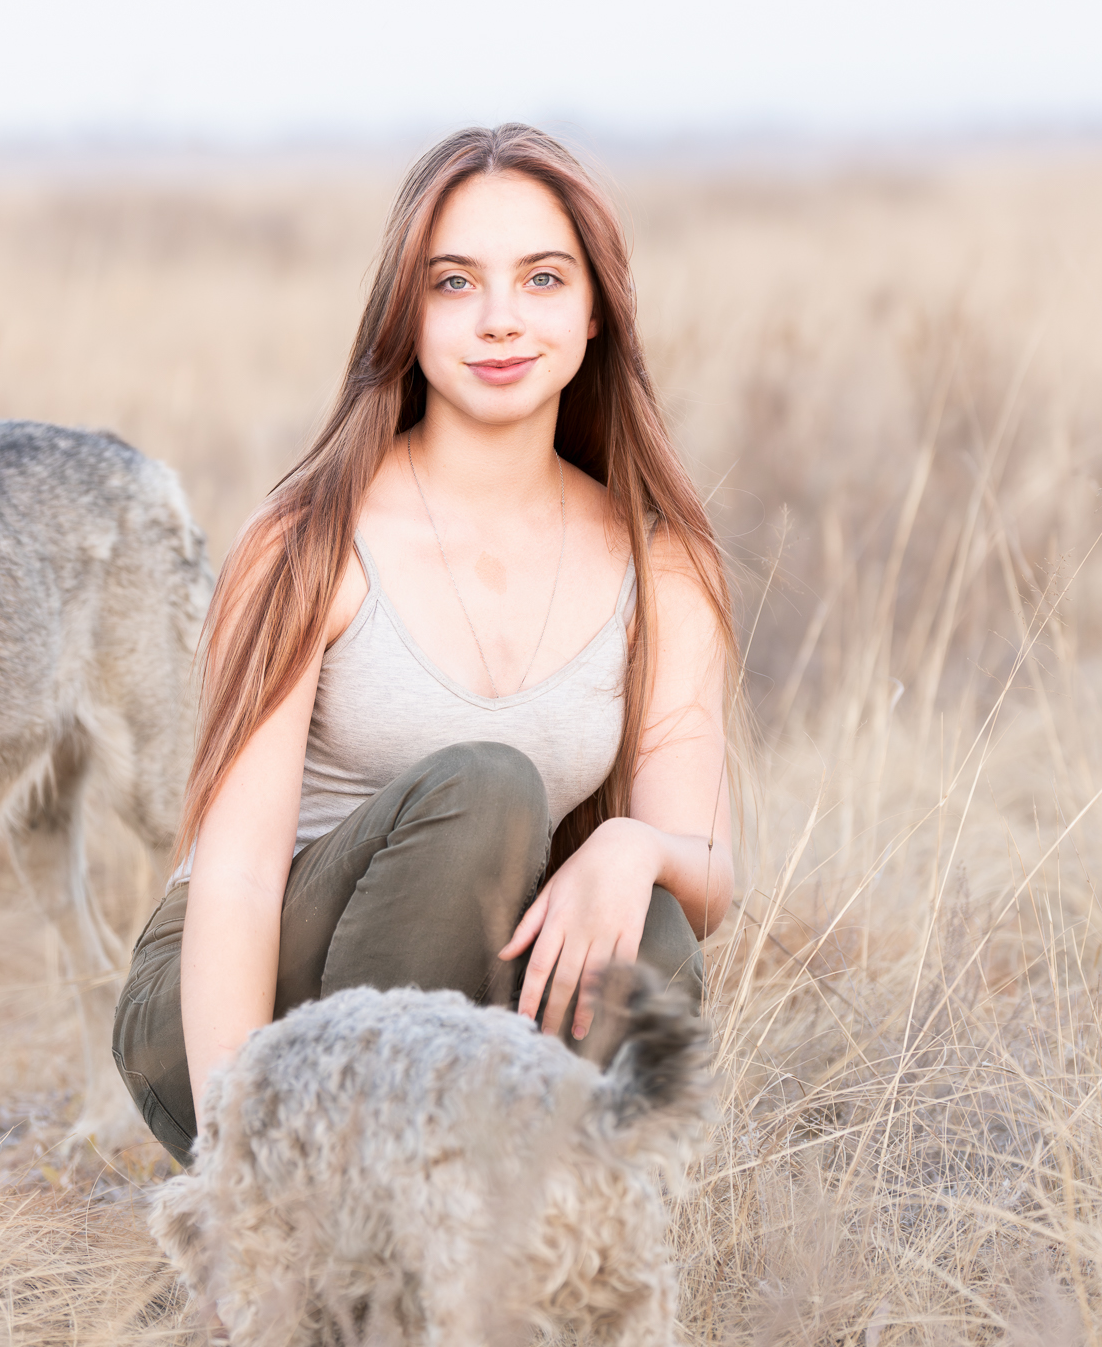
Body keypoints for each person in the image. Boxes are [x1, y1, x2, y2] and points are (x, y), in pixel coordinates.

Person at [113, 124, 737, 1167]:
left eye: (542, 279)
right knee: (483, 790)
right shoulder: (310, 537)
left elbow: (705, 864)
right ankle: (340, 1217)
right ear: (406, 311)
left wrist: (632, 845)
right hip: (232, 1012)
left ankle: (502, 1248)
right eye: (454, 283)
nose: (499, 320)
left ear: (595, 312)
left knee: (655, 935)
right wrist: (241, 1158)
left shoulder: (660, 566)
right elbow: (234, 876)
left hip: (454, 1010)